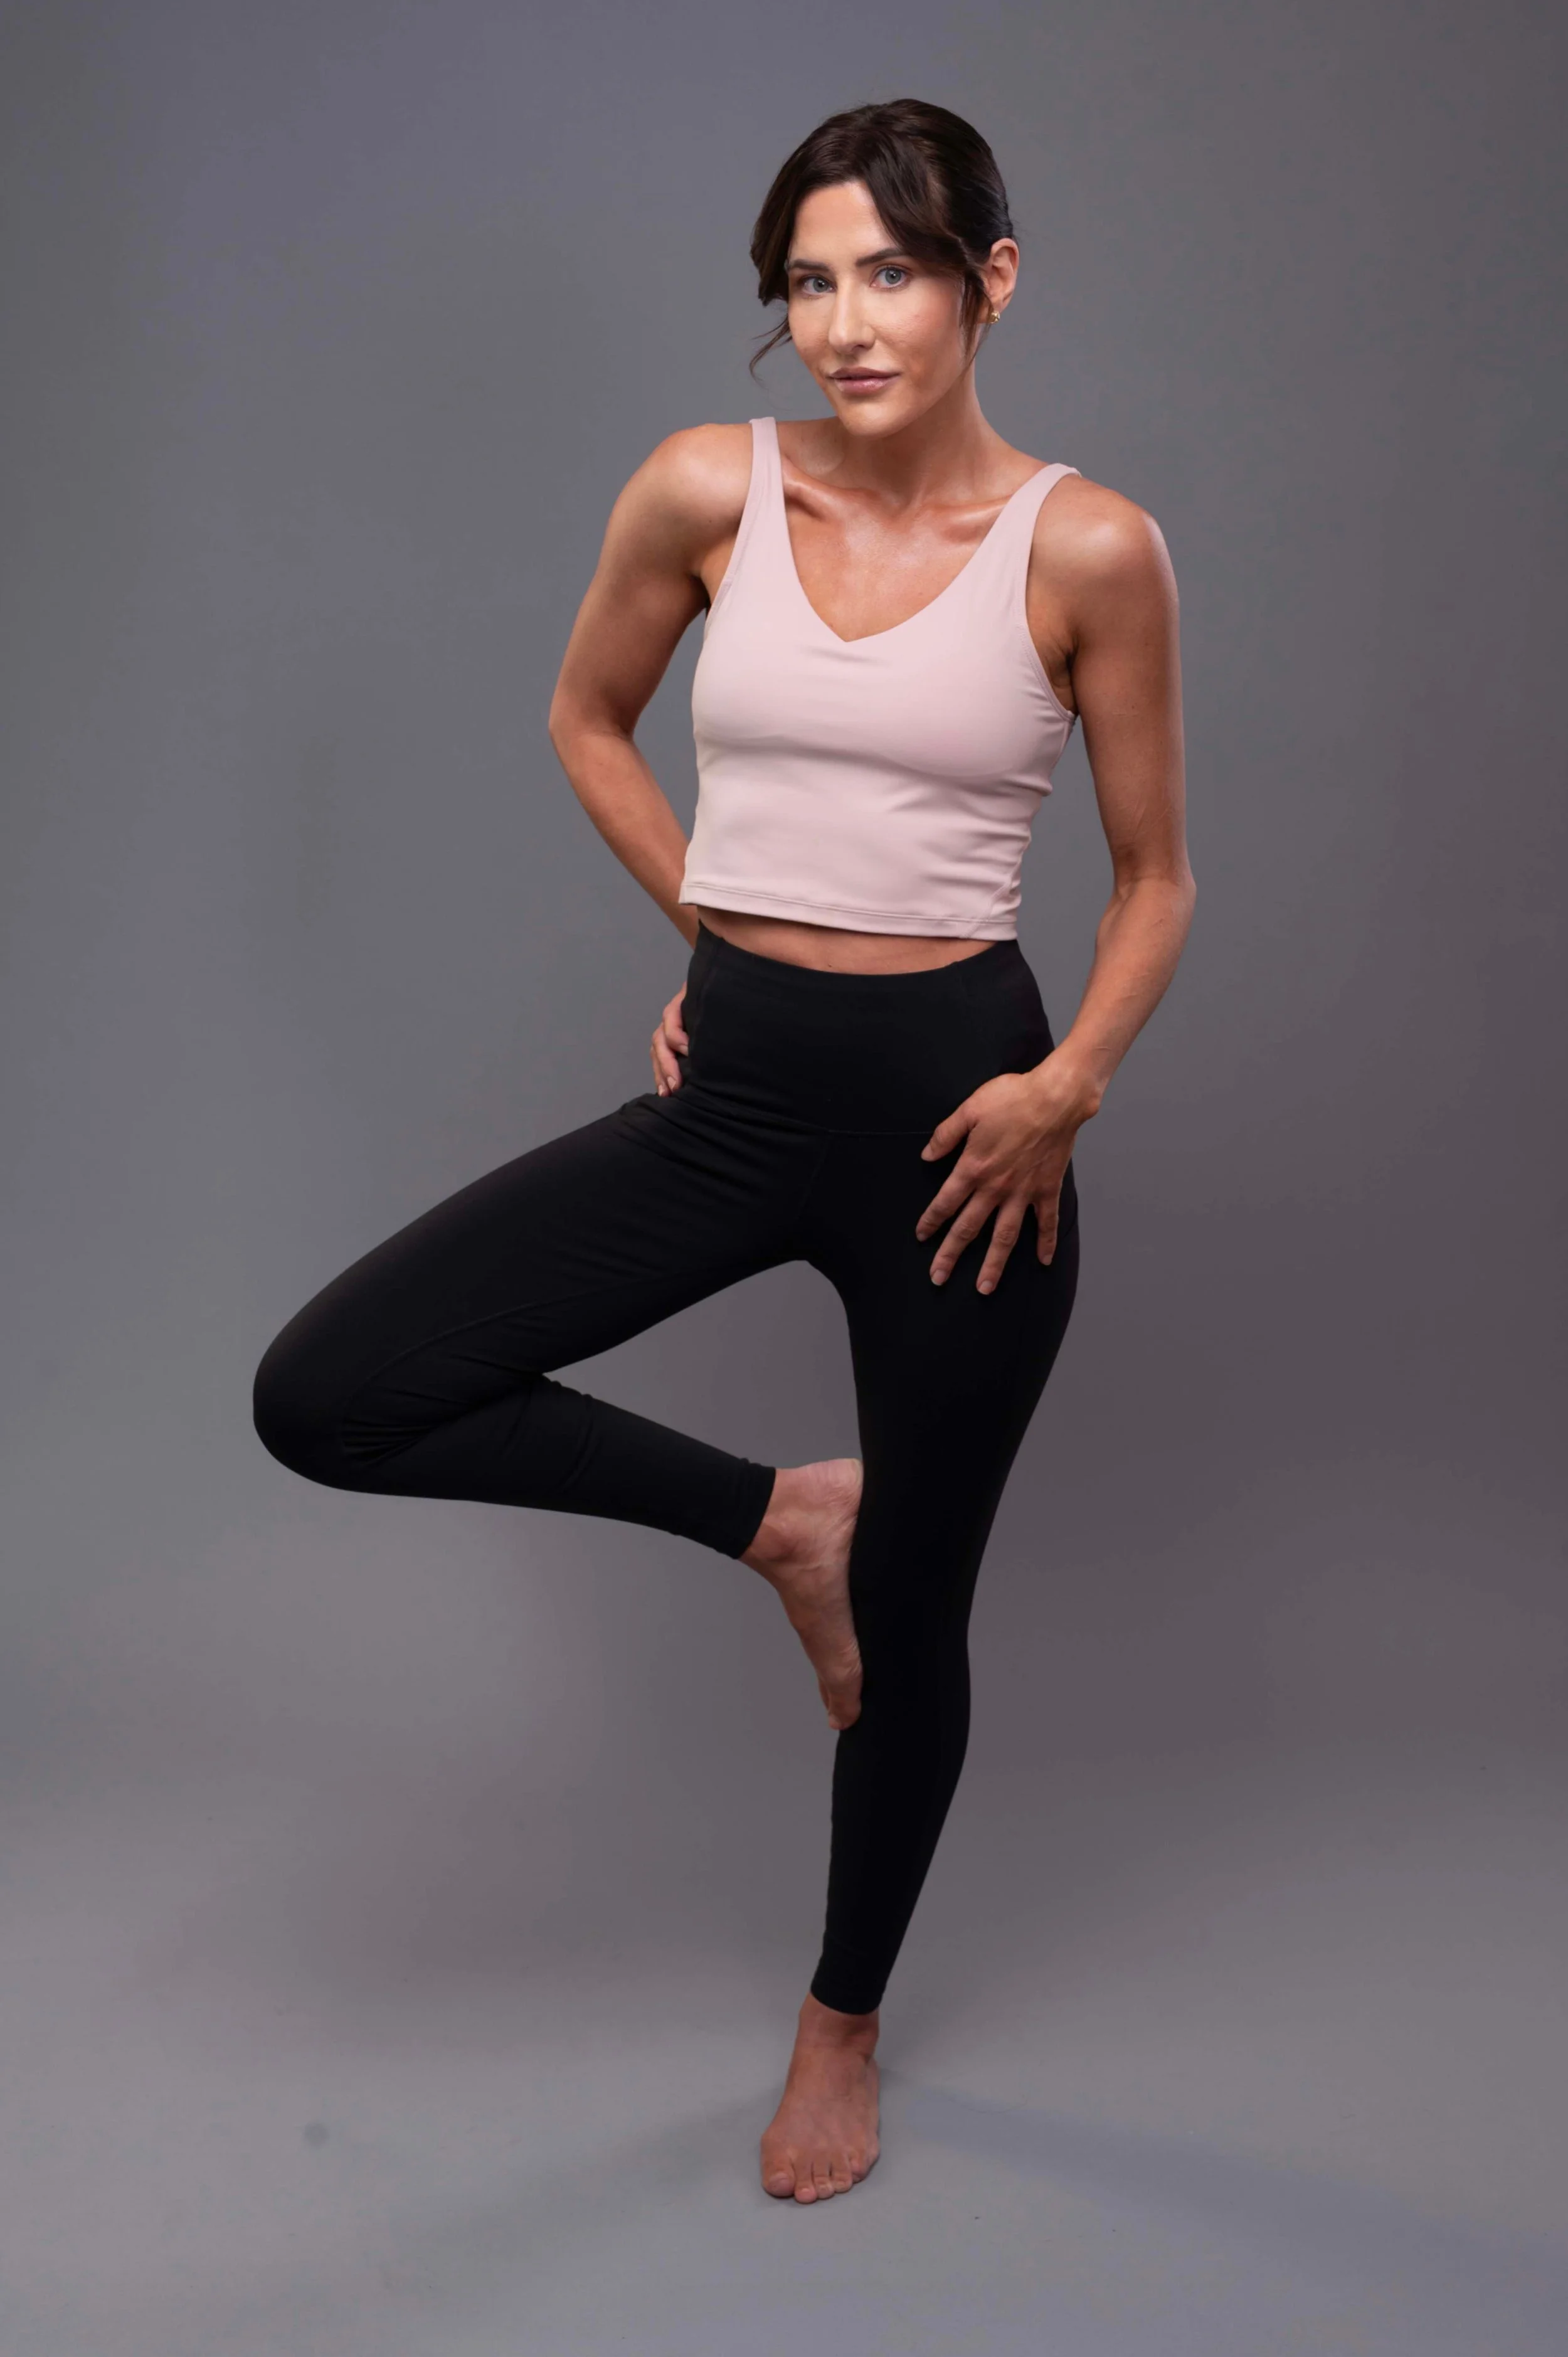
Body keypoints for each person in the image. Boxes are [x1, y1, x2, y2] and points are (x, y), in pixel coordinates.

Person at [252, 95, 1194, 2206]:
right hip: (739, 1087)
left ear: (988, 282)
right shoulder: (706, 488)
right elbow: (584, 718)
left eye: (890, 274)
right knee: (333, 1390)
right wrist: (710, 919)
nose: (846, 324)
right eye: (808, 283)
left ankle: (839, 2023)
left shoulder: (1086, 548)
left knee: (922, 1613)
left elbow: (1154, 877)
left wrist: (1067, 1087)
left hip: (964, 1129)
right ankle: (780, 1519)